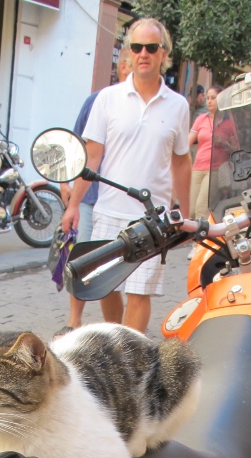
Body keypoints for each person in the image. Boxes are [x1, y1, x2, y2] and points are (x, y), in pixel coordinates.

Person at [60, 17, 191, 334]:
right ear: (129, 53)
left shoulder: (178, 105)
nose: (143, 53)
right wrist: (74, 205)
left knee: (140, 292)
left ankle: (130, 355)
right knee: (108, 287)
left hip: (153, 218)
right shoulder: (107, 99)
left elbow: (181, 163)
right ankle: (117, 340)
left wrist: (185, 216)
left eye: (151, 47)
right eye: (137, 47)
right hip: (108, 211)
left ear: (163, 54)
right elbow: (92, 157)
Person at [58, 49, 133, 333]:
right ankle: (74, 320)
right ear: (122, 68)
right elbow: (74, 146)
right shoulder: (99, 101)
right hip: (90, 197)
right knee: (82, 259)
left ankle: (119, 329)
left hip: (123, 201)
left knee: (116, 270)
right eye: (129, 66)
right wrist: (65, 185)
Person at [188, 85, 239, 220]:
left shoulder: (229, 123)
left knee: (201, 209)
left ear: (221, 99)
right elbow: (188, 142)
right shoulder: (201, 119)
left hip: (215, 169)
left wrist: (223, 142)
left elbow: (236, 150)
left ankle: (201, 233)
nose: (209, 101)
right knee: (190, 211)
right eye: (208, 98)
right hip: (198, 167)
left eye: (213, 98)